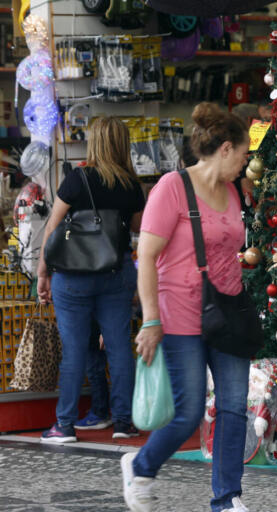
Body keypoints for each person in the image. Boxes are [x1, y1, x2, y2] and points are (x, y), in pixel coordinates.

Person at [121, 102, 251, 512]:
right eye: (245, 154)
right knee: (188, 410)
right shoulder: (171, 188)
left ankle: (226, 499)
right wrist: (151, 320)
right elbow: (146, 257)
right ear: (226, 148)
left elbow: (229, 247)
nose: (246, 163)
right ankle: (141, 466)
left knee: (234, 406)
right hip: (179, 315)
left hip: (228, 314)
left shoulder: (232, 191)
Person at [37, 116, 145, 442]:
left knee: (74, 351)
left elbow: (52, 228)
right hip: (117, 272)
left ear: (94, 142)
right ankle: (124, 423)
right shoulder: (131, 184)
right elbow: (140, 229)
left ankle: (65, 425)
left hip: (73, 277)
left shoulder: (77, 179)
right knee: (119, 349)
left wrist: (43, 273)